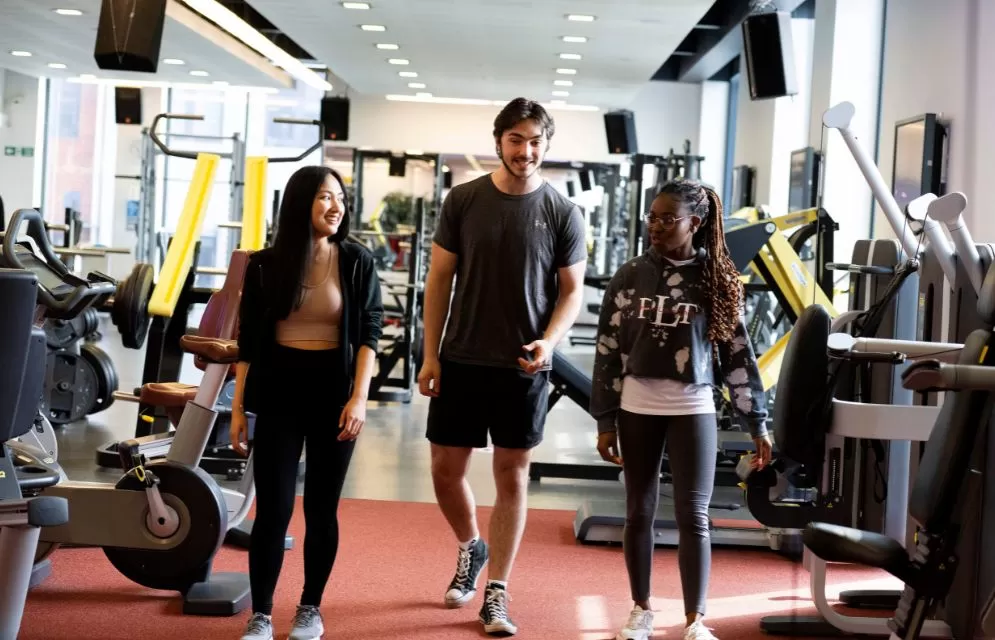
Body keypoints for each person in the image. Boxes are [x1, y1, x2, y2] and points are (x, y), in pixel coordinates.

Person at [417, 97, 588, 636]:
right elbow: (439, 280)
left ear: (546, 145)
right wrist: (430, 353)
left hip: (522, 366)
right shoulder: (464, 200)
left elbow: (573, 290)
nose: (526, 150)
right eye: (516, 140)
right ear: (499, 141)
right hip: (461, 357)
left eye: (535, 141)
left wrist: (549, 342)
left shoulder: (562, 212)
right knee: (445, 471)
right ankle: (472, 546)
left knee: (512, 475)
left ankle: (497, 591)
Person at [590, 179, 772, 640]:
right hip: (637, 406)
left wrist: (757, 422)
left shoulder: (718, 278)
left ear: (695, 222)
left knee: (695, 516)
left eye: (667, 219)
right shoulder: (630, 275)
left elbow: (737, 355)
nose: (655, 226)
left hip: (693, 407)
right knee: (639, 512)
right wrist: (606, 419)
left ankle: (695, 620)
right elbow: (607, 349)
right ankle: (641, 610)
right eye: (652, 217)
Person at [230, 165, 384, 640]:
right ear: (300, 203)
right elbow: (248, 341)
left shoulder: (356, 260)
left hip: (334, 393)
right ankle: (261, 613)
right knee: (273, 509)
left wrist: (359, 398)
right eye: (324, 197)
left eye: (340, 197)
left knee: (321, 508)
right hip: (279, 390)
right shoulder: (264, 264)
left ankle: (310, 608)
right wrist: (238, 408)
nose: (336, 206)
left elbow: (370, 333)